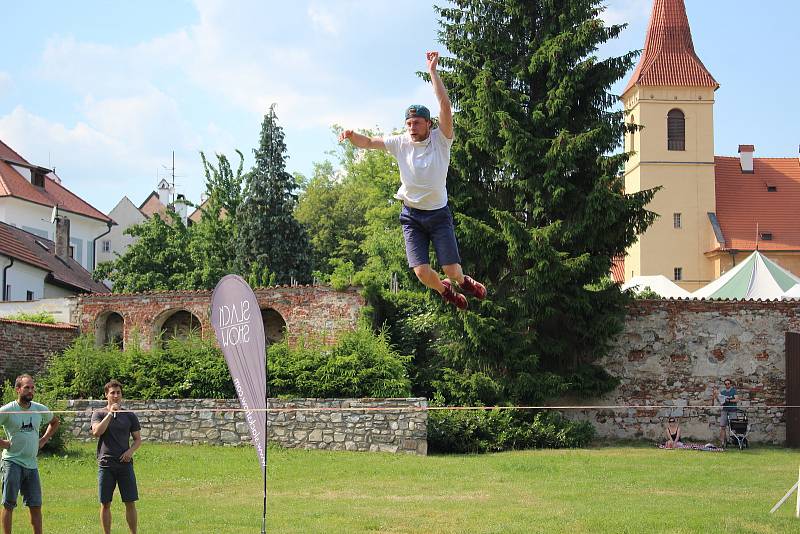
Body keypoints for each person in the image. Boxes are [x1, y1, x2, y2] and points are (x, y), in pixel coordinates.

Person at [338, 51, 487, 310]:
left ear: (429, 124)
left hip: (438, 215)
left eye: (416, 123)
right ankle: (446, 291)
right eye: (408, 123)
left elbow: (445, 107)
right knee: (421, 272)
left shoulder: (442, 140)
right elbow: (371, 143)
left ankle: (462, 282)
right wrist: (353, 136)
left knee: (452, 270)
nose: (411, 127)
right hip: (411, 216)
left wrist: (433, 72)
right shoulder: (401, 142)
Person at [0, 374, 60, 534]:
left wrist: (44, 439)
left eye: (32, 387)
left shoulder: (39, 408)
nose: (30, 391)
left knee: (35, 505)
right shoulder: (8, 410)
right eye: (27, 387)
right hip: (12, 462)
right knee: (9, 503)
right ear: (17, 389)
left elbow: (55, 422)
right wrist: (3, 443)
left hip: (32, 465)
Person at [90, 380, 142, 534]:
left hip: (125, 464)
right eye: (112, 392)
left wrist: (130, 452)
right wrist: (110, 414)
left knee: (130, 502)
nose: (116, 395)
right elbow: (96, 432)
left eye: (118, 392)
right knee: (105, 503)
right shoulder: (98, 413)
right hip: (106, 464)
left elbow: (138, 440)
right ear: (106, 395)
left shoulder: (129, 415)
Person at [713, 378, 739, 448]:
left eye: (728, 384)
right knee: (722, 426)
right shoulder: (723, 392)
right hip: (725, 410)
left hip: (732, 410)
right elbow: (720, 401)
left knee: (734, 426)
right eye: (726, 384)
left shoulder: (734, 391)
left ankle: (735, 441)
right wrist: (716, 396)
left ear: (730, 384)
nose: (727, 385)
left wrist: (729, 400)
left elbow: (737, 399)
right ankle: (722, 442)